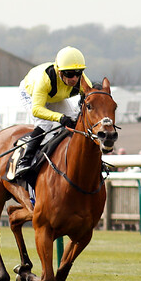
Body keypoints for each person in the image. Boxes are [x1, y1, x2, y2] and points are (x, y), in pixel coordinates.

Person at [14, 46, 93, 180]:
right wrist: (60, 118)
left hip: (55, 96)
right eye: (69, 74)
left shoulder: (82, 81)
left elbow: (91, 101)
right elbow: (37, 110)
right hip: (31, 93)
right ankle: (24, 161)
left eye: (78, 73)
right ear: (59, 71)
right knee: (45, 124)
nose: (74, 78)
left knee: (75, 119)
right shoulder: (45, 79)